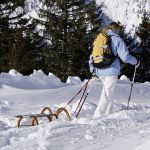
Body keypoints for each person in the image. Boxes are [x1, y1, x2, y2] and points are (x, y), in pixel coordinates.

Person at [89, 22, 137, 118]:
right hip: (111, 70)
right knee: (107, 93)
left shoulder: (100, 37)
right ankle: (97, 115)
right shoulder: (116, 39)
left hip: (99, 68)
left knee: (108, 91)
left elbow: (92, 55)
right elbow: (125, 57)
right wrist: (136, 61)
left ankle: (108, 113)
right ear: (116, 30)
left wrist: (92, 68)